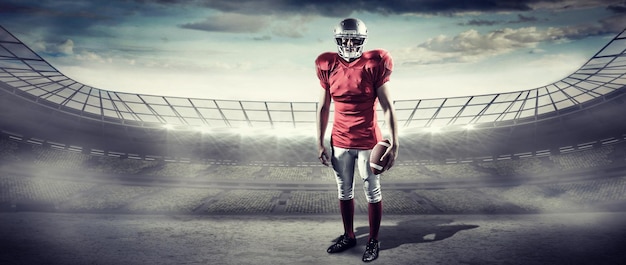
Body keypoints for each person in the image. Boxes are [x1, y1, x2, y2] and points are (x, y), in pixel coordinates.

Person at [315, 17, 399, 263]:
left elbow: (388, 107)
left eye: (355, 40)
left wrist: (394, 142)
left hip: (368, 140)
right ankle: (349, 235)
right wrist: (320, 141)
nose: (350, 44)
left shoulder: (375, 62)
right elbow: (323, 107)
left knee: (372, 191)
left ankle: (373, 240)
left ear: (363, 41)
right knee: (344, 190)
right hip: (339, 139)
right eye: (345, 39)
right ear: (338, 40)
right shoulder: (327, 63)